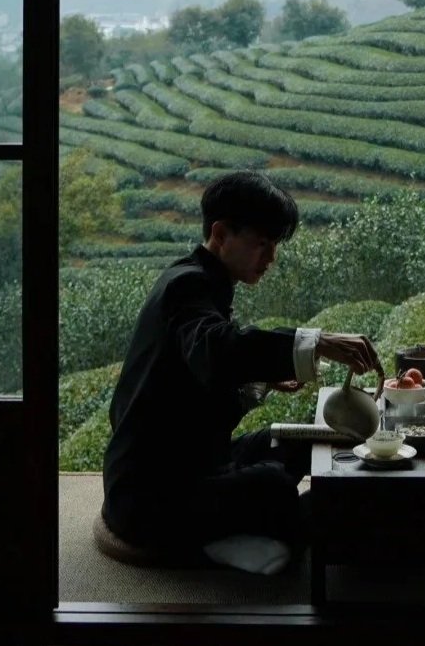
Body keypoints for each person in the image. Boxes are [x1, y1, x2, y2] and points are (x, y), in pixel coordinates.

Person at [101, 170, 384, 569]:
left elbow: (201, 382)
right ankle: (235, 541)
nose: (270, 259)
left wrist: (262, 380)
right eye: (262, 244)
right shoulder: (187, 286)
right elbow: (217, 350)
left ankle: (248, 533)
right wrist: (317, 343)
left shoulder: (206, 284)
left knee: (289, 441)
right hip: (150, 493)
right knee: (272, 486)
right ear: (220, 234)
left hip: (197, 461)